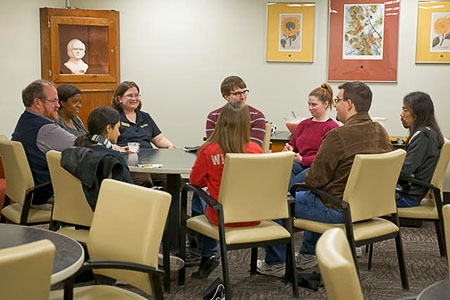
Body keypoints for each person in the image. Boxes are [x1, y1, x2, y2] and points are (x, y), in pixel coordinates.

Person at [257, 81, 393, 278]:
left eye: (337, 100)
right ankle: (307, 255)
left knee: (278, 199)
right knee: (316, 194)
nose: (335, 104)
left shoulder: (338, 135)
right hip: (370, 208)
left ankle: (275, 263)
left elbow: (314, 179)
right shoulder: (381, 132)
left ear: (349, 103)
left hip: (339, 210)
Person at [190, 101, 263, 278]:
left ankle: (207, 253)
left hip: (223, 217)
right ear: (247, 123)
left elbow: (195, 181)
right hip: (253, 216)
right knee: (205, 197)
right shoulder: (256, 150)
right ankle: (206, 252)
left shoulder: (208, 150)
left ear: (221, 122)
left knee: (199, 196)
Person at [11, 80, 76, 208]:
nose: (58, 105)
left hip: (29, 194)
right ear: (37, 102)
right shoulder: (45, 129)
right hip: (47, 195)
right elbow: (80, 144)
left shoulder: (24, 121)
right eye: (53, 101)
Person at [112, 81, 175, 187]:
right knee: (144, 180)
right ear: (119, 99)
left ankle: (167, 203)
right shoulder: (113, 117)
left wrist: (170, 145)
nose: (134, 99)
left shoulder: (145, 117)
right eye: (129, 96)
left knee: (171, 178)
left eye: (136, 95)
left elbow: (158, 138)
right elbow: (107, 141)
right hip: (128, 160)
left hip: (149, 159)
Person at [283, 83, 338, 190]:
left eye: (314, 105)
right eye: (309, 104)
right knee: (282, 171)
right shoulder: (303, 124)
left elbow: (326, 157)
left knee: (294, 185)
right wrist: (289, 149)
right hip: (298, 164)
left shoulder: (332, 128)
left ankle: (288, 200)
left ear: (325, 104)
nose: (310, 108)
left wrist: (303, 159)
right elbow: (293, 144)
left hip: (317, 167)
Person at [396, 92, 444, 207]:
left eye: (405, 110)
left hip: (407, 197)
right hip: (413, 194)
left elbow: (404, 171)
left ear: (418, 113)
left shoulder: (423, 136)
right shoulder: (430, 132)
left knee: (362, 197)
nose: (401, 114)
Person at [206, 76, 266, 146]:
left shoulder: (257, 116)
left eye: (244, 92)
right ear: (226, 96)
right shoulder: (213, 116)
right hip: (221, 156)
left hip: (248, 156)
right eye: (237, 93)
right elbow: (212, 145)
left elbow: (254, 146)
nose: (243, 97)